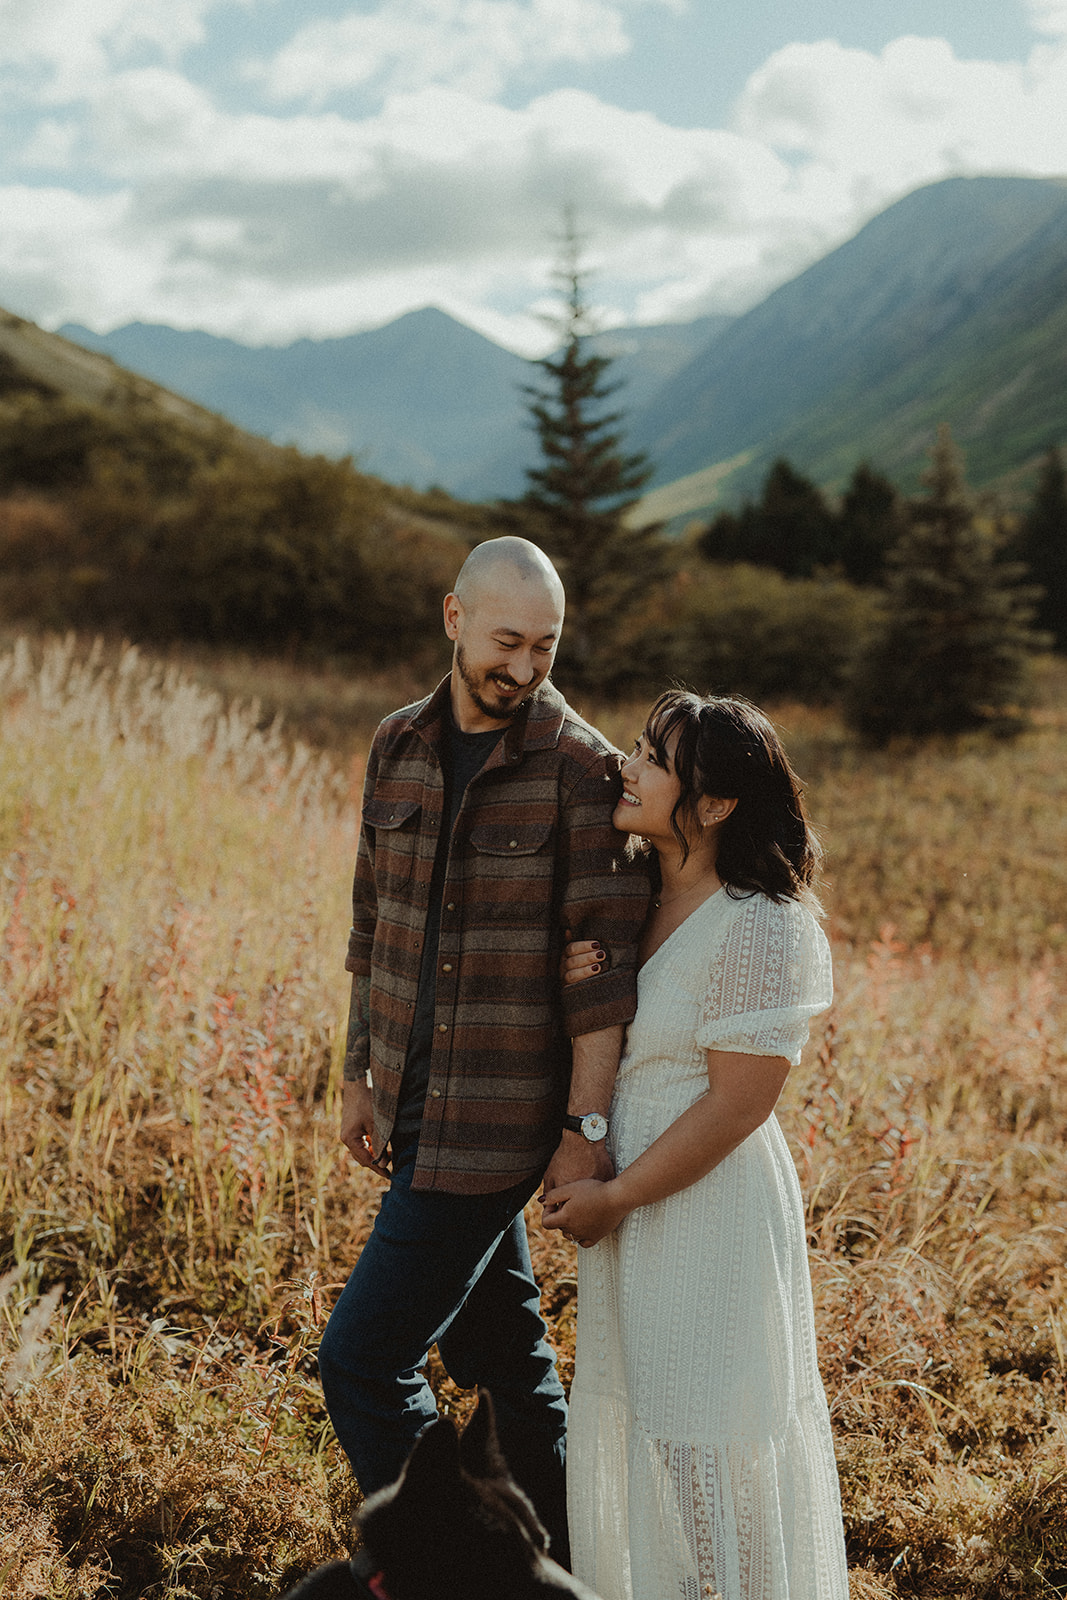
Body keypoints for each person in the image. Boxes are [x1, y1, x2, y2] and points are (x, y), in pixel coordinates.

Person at [318, 536, 649, 1565]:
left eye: (544, 646)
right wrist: (355, 1074)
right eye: (506, 640)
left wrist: (582, 1128)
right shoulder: (395, 745)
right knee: (503, 1355)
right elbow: (372, 921)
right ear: (453, 617)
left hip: (496, 1123)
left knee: (363, 1360)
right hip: (413, 1104)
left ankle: (464, 1568)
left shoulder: (582, 768)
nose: (524, 666)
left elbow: (601, 975)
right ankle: (565, 1561)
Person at [541, 689, 849, 1600]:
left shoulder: (761, 922)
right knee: (656, 1434)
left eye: (652, 759)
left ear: (713, 806)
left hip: (703, 1210)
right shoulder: (627, 893)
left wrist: (616, 1195)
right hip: (636, 1205)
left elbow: (735, 1107)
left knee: (713, 1441)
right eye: (635, 747)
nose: (624, 766)